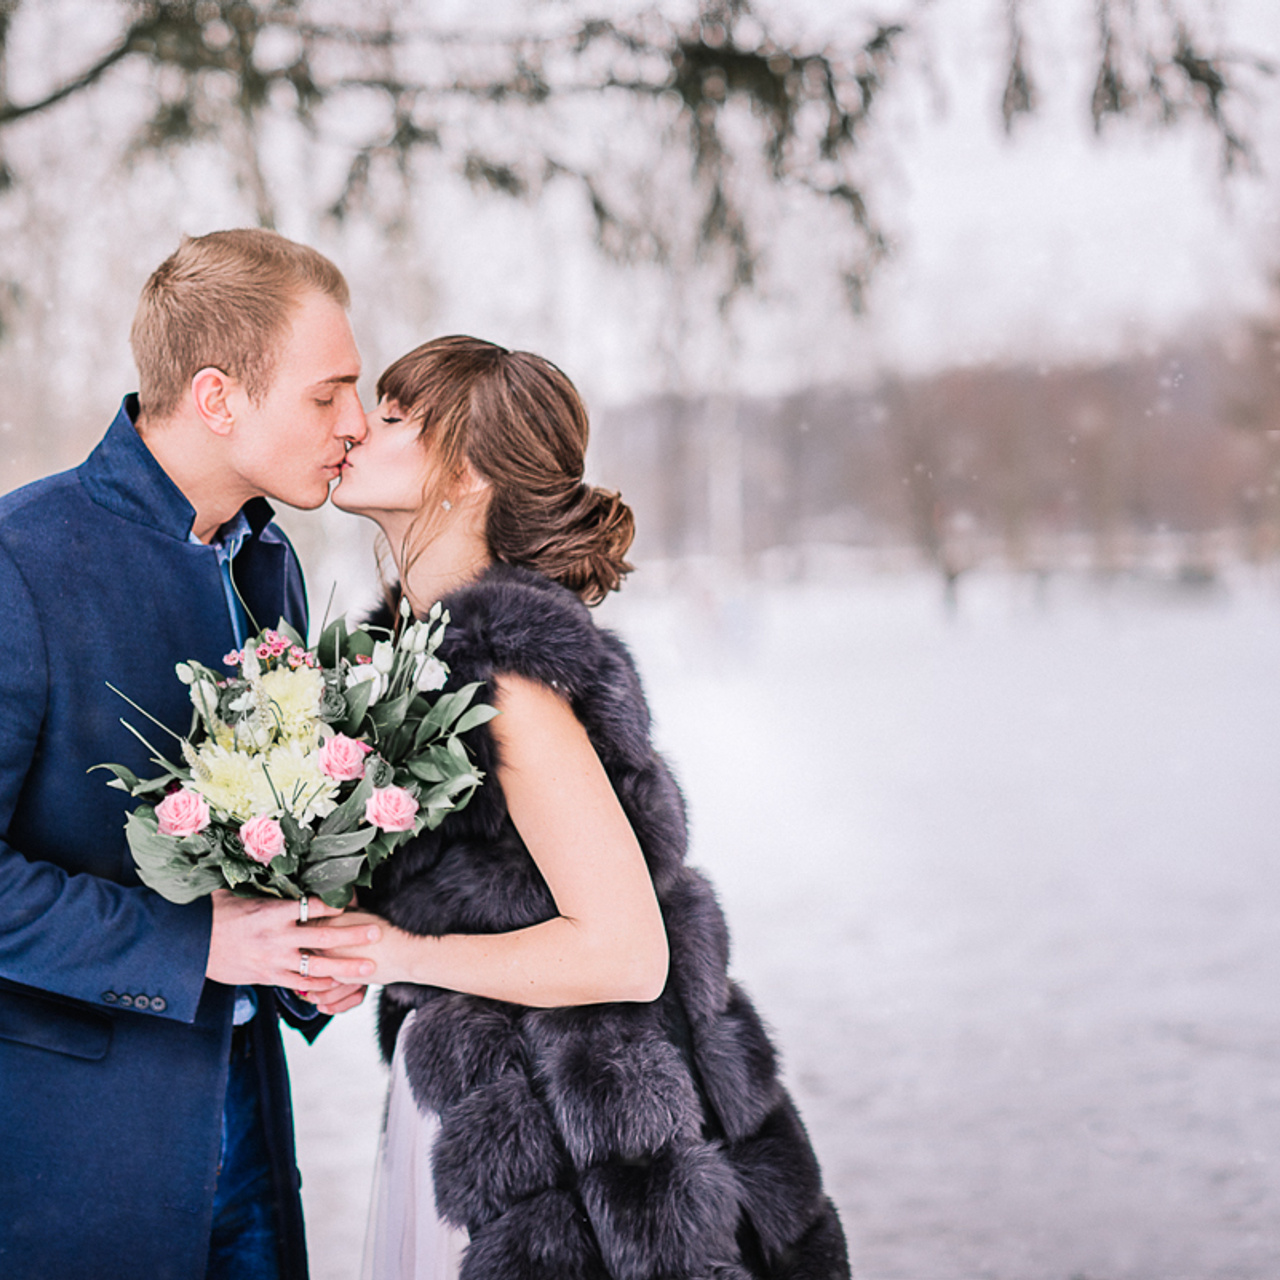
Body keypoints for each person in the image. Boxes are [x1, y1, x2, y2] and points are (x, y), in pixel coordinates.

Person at [326, 335, 851, 1279]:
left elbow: (623, 952)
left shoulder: (507, 681)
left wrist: (397, 955)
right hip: (494, 1113)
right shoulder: (412, 664)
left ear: (467, 474)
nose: (359, 426)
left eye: (396, 416)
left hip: (580, 1159)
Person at [0, 228, 381, 1280]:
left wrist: (300, 959)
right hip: (75, 1165)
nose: (355, 422)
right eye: (327, 394)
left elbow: (260, 846)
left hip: (249, 1123)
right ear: (217, 398)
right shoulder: (18, 563)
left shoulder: (269, 561)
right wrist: (196, 942)